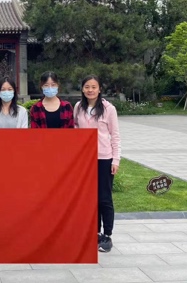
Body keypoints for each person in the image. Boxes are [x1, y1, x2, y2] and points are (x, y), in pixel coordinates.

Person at [73, 75, 121, 253]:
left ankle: (107, 235)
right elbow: (75, 129)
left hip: (104, 158)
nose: (90, 90)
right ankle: (95, 233)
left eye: (94, 87)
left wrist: (116, 159)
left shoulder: (109, 109)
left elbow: (115, 135)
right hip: (85, 160)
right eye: (87, 87)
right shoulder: (78, 107)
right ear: (82, 89)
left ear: (99, 89)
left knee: (104, 198)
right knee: (90, 198)